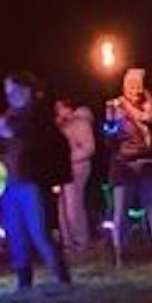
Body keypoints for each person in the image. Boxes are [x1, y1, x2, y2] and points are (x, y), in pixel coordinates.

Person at [0, 72, 70, 289]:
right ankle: (24, 282)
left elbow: (40, 142)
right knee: (15, 232)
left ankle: (61, 277)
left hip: (32, 180)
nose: (10, 96)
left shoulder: (39, 113)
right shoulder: (10, 115)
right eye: (7, 92)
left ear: (25, 90)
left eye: (13, 91)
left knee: (39, 232)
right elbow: (3, 145)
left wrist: (9, 132)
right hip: (10, 181)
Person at [103, 67, 152, 265]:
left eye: (138, 85)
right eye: (131, 86)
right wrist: (110, 123)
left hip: (147, 162)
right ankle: (119, 251)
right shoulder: (115, 107)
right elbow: (109, 139)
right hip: (123, 165)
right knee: (120, 210)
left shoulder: (150, 106)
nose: (135, 90)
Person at [53, 98, 96, 256]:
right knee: (63, 208)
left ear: (68, 108)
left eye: (60, 108)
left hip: (77, 169)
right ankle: (68, 243)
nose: (58, 112)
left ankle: (81, 242)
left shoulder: (81, 123)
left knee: (73, 206)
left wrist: (68, 159)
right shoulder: (61, 126)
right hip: (62, 170)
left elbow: (88, 148)